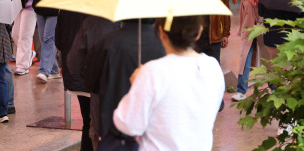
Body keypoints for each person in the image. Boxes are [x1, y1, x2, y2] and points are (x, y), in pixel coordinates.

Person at [113, 16, 224, 151]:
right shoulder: (212, 67)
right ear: (199, 32)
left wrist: (136, 85)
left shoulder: (152, 72)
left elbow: (128, 124)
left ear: (161, 33)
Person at [84, 19, 165, 147]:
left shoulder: (107, 42)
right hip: (156, 131)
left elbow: (89, 82)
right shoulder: (165, 43)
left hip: (114, 130)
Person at [69, 16, 118, 150]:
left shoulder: (91, 24)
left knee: (88, 122)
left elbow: (73, 64)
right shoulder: (143, 29)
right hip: (134, 116)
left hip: (99, 107)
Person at [55, 10, 95, 151]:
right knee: (97, 123)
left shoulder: (67, 6)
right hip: (96, 74)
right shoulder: (101, 7)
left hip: (75, 71)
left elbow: (58, 40)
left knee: (87, 121)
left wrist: (62, 64)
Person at [231, 0, 261, 102]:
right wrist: (241, 30)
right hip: (248, 31)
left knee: (268, 60)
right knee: (245, 60)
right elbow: (242, 14)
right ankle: (241, 90)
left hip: (262, 31)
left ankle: (273, 88)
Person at [32, 0, 62, 83]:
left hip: (54, 7)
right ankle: (54, 70)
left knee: (48, 39)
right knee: (43, 40)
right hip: (40, 6)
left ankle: (44, 71)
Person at [12, 0, 37, 76]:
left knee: (25, 35)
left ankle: (22, 66)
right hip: (18, 4)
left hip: (31, 5)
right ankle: (28, 54)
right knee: (15, 34)